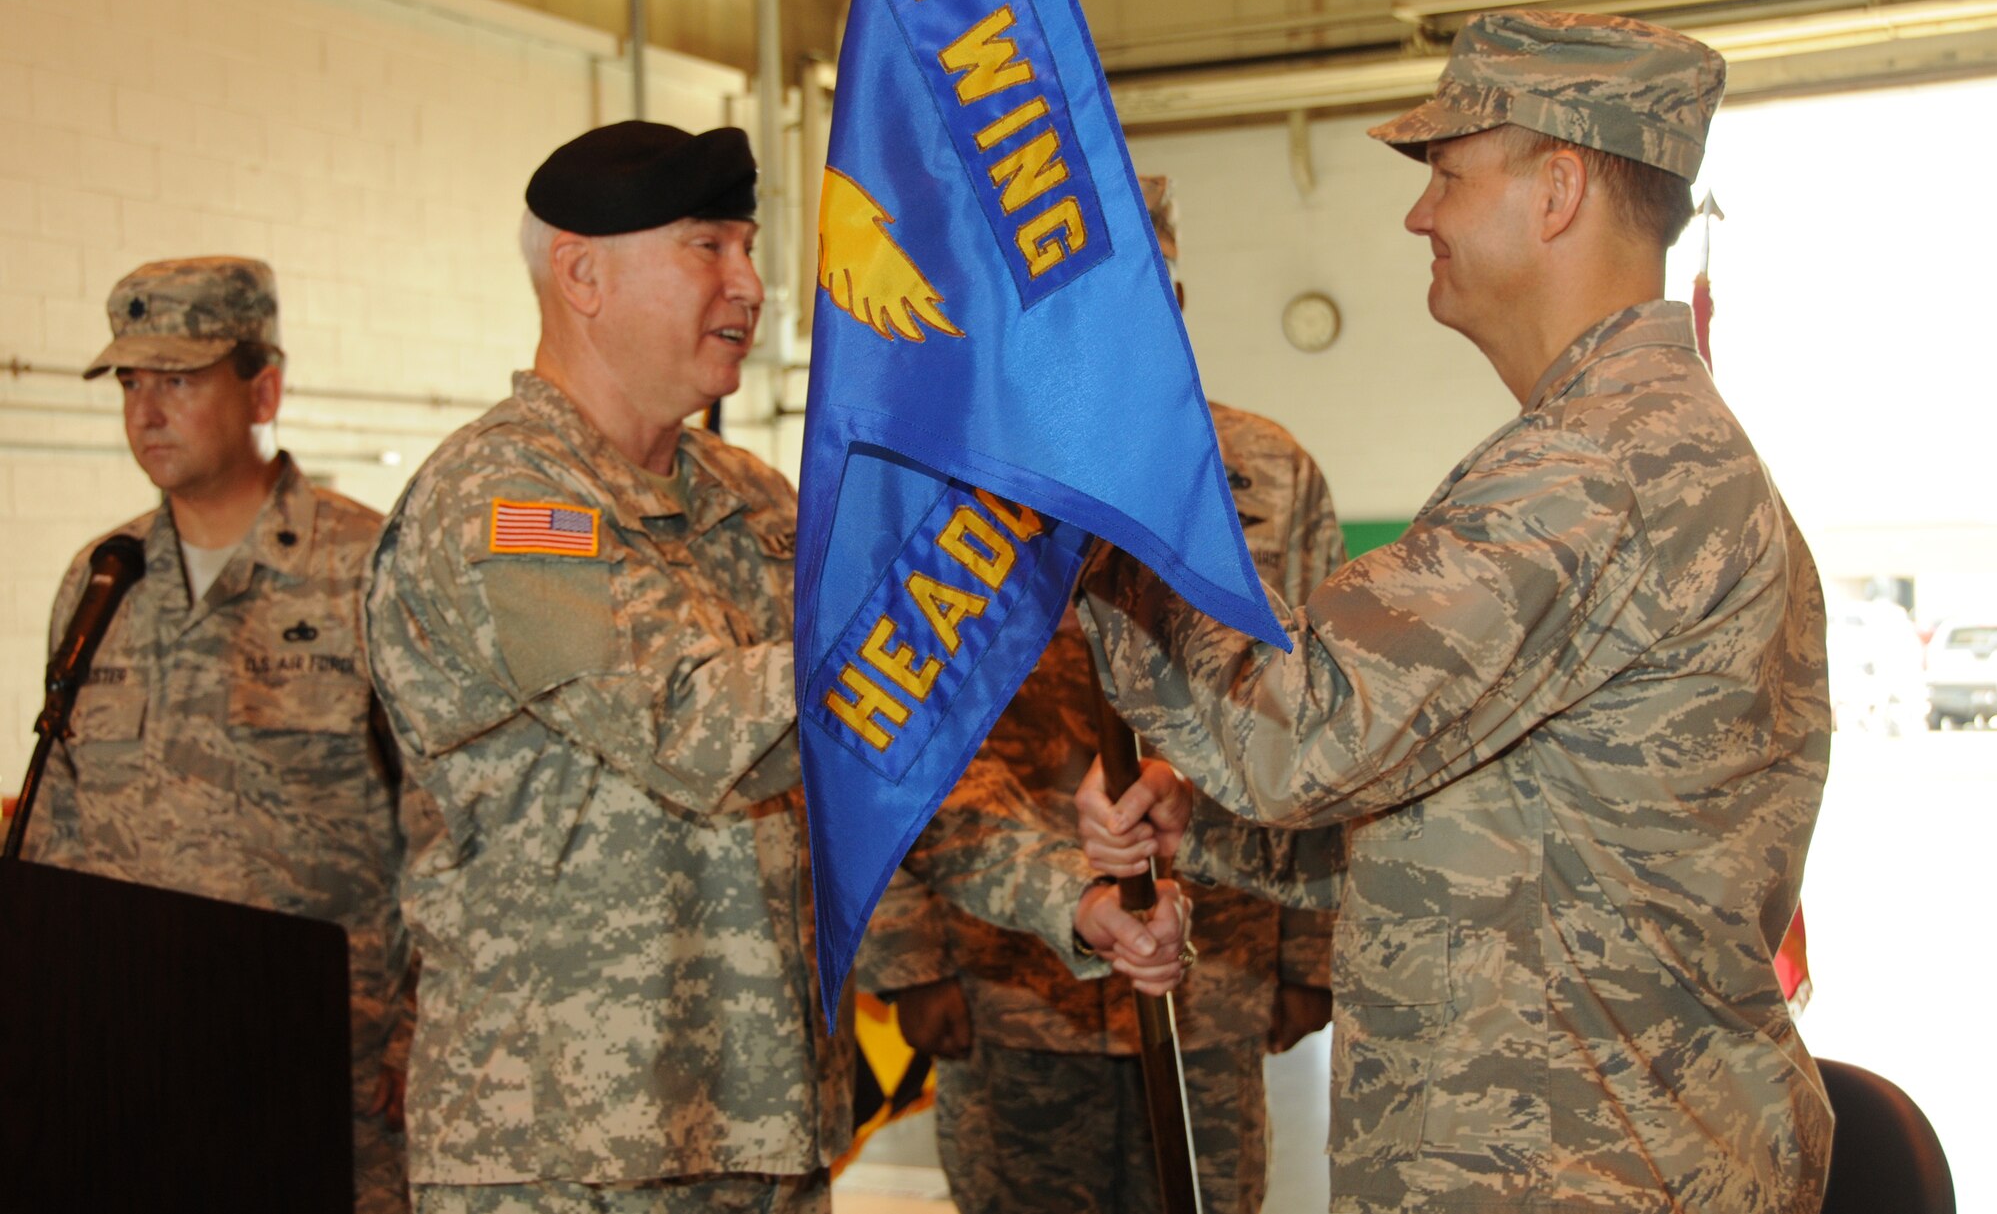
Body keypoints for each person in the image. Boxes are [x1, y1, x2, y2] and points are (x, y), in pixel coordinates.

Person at [1073, 11, 1833, 1213]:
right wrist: (1196, 828)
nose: (1418, 215)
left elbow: (1293, 730)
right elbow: (1494, 858)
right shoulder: (1627, 450)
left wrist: (1090, 524)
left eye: (1444, 173)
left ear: (1558, 189)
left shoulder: (1596, 469)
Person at [363, 120, 1188, 1214]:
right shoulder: (508, 507)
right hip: (567, 1152)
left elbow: (881, 758)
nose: (749, 287)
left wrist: (1074, 896)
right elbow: (693, 733)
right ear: (581, 273)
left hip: (766, 1124)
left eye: (747, 248)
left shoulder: (752, 500)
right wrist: (974, 537)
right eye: (707, 247)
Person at [859, 176, 1344, 1214]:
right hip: (1011, 975)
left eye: (1138, 293)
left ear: (1170, 295)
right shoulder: (951, 485)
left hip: (1214, 960)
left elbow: (1315, 713)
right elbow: (895, 734)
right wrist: (908, 957)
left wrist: (1313, 956)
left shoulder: (1262, 470)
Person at [21, 256, 415, 1213]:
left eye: (181, 378)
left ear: (263, 387)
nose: (146, 410)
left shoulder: (371, 568)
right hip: (135, 1075)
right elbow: (57, 822)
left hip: (335, 1075)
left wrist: (422, 1024)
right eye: (130, 381)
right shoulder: (103, 579)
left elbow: (449, 815)